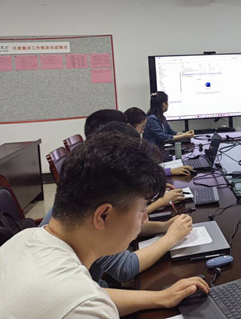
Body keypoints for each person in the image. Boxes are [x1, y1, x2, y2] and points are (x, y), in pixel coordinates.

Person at [0, 132, 209, 319]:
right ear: (103, 216)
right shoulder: (84, 307)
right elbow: (85, 301)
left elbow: (92, 293)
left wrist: (161, 297)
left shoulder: (25, 238)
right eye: (142, 210)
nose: (145, 219)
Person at [125, 106, 193, 177]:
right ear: (129, 126)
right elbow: (140, 173)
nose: (143, 131)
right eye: (142, 127)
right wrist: (170, 171)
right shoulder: (127, 147)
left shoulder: (131, 141)